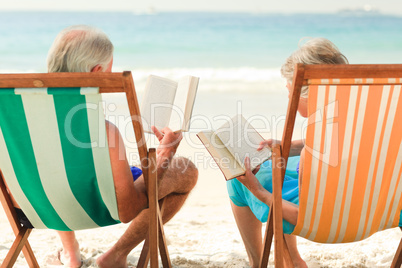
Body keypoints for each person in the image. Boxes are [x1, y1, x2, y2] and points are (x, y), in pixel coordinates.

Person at [9, 25, 198, 268]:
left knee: (51, 169)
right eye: (111, 65)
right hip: (93, 206)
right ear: (97, 71)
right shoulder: (102, 132)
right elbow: (127, 209)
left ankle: (70, 252)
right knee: (186, 170)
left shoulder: (14, 121)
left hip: (33, 206)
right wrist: (164, 154)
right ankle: (116, 255)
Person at [226, 38, 348, 268]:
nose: (286, 88)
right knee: (277, 163)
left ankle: (273, 261)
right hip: (373, 210)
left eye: (290, 84)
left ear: (308, 90)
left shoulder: (313, 154)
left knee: (241, 177)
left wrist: (258, 190)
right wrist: (285, 146)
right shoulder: (362, 122)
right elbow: (331, 145)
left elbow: (301, 215)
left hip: (327, 215)